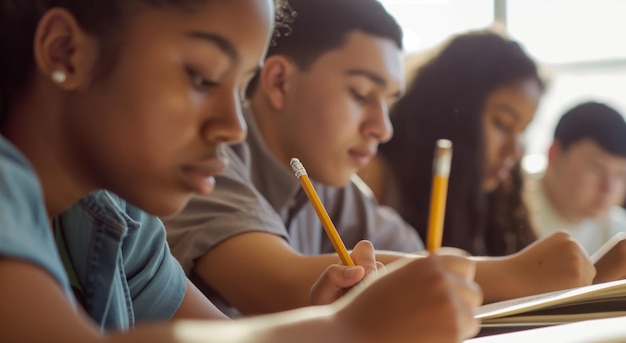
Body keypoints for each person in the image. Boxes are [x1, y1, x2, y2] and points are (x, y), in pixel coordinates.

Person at [0, 0, 483, 342]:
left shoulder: (120, 221)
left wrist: (317, 323)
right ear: (66, 51)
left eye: (239, 88)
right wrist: (340, 332)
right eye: (203, 77)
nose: (233, 127)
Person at [164, 2, 594, 318]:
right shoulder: (209, 161)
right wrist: (519, 274)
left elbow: (422, 261)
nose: (383, 128)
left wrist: (591, 283)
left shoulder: (338, 188)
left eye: (388, 102)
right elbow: (282, 285)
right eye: (360, 94)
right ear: (278, 82)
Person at [362, 30, 543, 257]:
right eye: (503, 124)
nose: (514, 151)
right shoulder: (376, 178)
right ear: (453, 112)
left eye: (522, 132)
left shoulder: (495, 200)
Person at [526, 101, 626, 283]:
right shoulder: (509, 205)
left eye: (620, 174)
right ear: (554, 154)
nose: (608, 188)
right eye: (596, 168)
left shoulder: (616, 229)